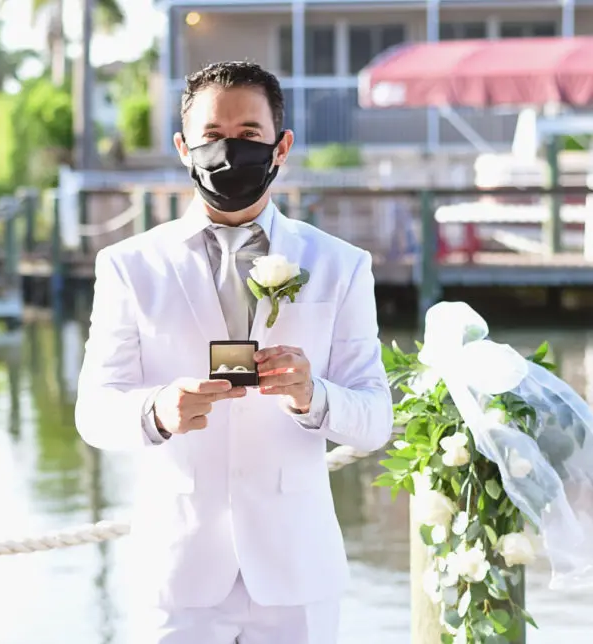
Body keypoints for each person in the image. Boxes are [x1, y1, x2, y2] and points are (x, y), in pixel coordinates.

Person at [74, 61, 394, 643]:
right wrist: (156, 412)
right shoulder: (127, 266)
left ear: (281, 146)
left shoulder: (342, 265)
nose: (229, 151)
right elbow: (94, 412)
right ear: (182, 147)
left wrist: (314, 395)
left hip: (297, 571)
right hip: (176, 575)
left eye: (248, 136)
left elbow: (375, 419)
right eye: (212, 137)